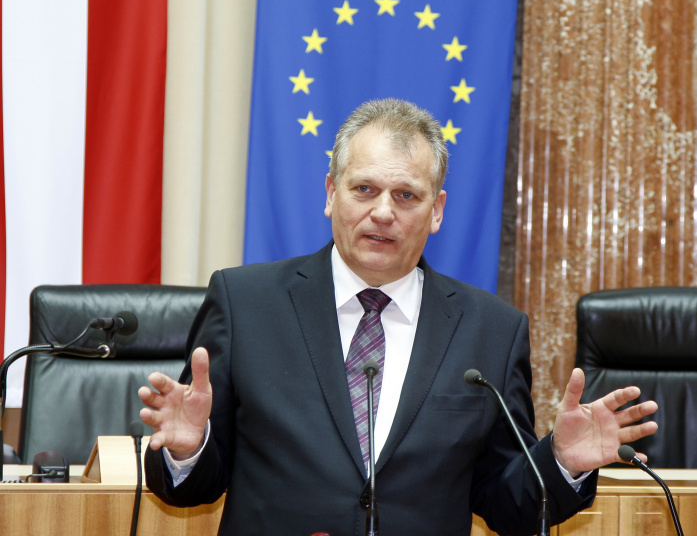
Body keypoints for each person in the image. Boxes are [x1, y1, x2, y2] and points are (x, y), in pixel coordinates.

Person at [138, 98, 658, 536]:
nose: (383, 212)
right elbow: (197, 487)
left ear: (436, 211)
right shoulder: (244, 302)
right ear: (329, 194)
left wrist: (561, 463)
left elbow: (505, 502)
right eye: (364, 189)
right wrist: (187, 451)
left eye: (406, 195)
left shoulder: (492, 330)